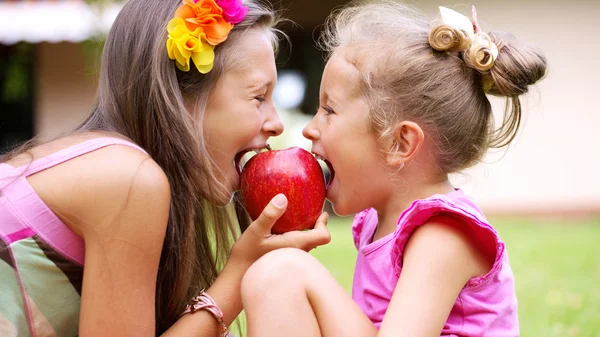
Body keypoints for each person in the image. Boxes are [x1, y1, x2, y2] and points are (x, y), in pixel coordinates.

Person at [0, 0, 331, 336]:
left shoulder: (117, 168)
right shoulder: (127, 180)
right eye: (259, 97)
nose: (276, 123)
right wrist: (242, 268)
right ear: (181, 98)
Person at [240, 1, 547, 336]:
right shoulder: (377, 222)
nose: (310, 129)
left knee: (281, 271)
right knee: (275, 273)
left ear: (399, 143)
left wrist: (292, 269)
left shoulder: (443, 234)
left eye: (329, 110)